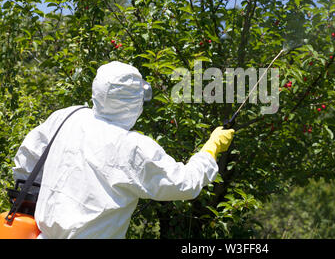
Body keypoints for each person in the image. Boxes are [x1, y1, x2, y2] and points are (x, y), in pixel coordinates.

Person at [12, 61, 234, 239]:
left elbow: (25, 163)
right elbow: (182, 183)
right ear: (134, 102)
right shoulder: (132, 146)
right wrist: (210, 150)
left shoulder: (69, 116)